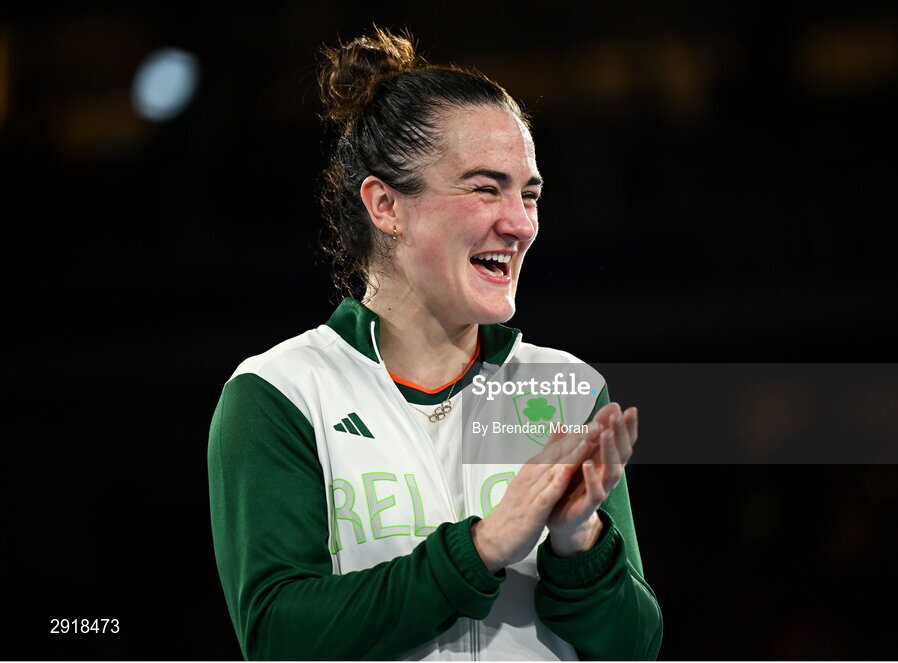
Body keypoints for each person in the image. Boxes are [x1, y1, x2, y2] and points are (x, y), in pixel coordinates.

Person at [208, 28, 662, 660]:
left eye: (529, 193)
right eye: (485, 188)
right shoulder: (280, 394)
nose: (520, 223)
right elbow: (280, 637)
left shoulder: (568, 391)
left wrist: (578, 540)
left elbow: (634, 648)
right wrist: (479, 551)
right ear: (386, 204)